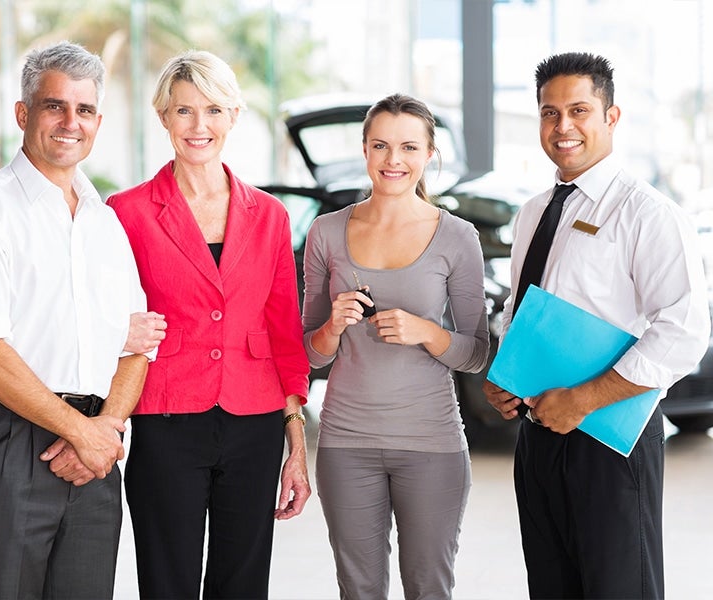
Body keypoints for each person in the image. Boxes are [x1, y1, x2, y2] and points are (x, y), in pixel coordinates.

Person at [483, 52, 711, 599]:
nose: (563, 126)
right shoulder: (533, 211)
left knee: (619, 588)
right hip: (537, 432)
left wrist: (583, 399)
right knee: (552, 585)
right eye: (550, 112)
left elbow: (684, 332)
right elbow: (521, 307)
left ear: (611, 117)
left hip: (609, 438)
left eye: (579, 110)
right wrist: (503, 372)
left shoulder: (647, 212)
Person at [0, 41, 153, 599]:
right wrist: (82, 433)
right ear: (23, 113)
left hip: (94, 445)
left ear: (97, 122)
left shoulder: (105, 223)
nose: (70, 122)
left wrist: (104, 430)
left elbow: (138, 344)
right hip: (7, 436)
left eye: (84, 110)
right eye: (55, 106)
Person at [106, 49, 311, 600]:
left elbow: (284, 332)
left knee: (243, 583)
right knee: (166, 580)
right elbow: (102, 313)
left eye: (214, 110)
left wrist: (295, 441)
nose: (200, 125)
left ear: (234, 116)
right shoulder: (125, 212)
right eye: (184, 110)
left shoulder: (270, 214)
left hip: (255, 421)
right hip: (165, 415)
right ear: (163, 117)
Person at [302, 93, 490, 599]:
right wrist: (332, 327)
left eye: (409, 147)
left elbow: (477, 353)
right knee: (358, 590)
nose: (393, 160)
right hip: (345, 443)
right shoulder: (326, 232)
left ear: (430, 154)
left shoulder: (457, 237)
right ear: (364, 149)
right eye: (381, 145)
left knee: (429, 588)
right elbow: (309, 353)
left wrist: (426, 332)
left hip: (432, 443)